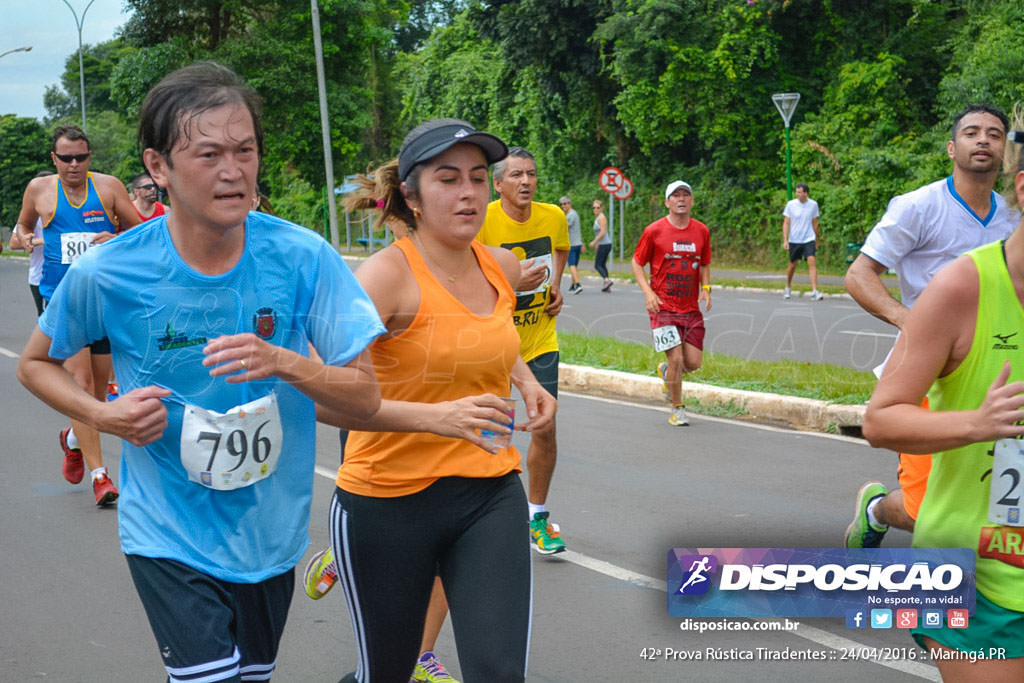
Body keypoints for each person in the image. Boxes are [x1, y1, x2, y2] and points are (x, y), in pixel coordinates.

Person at [17, 61, 383, 682]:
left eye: (245, 150)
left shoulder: (302, 257)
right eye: (208, 153)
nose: (233, 170)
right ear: (157, 167)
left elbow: (365, 399)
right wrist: (104, 414)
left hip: (269, 531)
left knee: (252, 676)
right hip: (165, 529)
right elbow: (34, 364)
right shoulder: (111, 271)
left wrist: (284, 362)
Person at [315, 118, 555, 682]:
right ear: (412, 196)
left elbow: (480, 332)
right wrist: (435, 418)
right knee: (387, 674)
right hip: (387, 500)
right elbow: (319, 392)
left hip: (488, 493)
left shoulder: (501, 265)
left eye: (477, 177)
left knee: (499, 672)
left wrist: (526, 380)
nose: (468, 192)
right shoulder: (383, 278)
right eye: (448, 179)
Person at [860, 152, 1024, 683]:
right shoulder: (962, 288)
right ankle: (880, 511)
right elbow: (881, 421)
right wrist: (977, 424)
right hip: (973, 574)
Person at [844, 104, 1019, 549]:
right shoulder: (918, 207)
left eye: (995, 134)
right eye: (972, 132)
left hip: (993, 376)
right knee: (925, 508)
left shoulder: (1012, 217)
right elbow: (860, 275)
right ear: (951, 147)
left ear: (1005, 154)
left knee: (996, 502)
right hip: (927, 376)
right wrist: (914, 324)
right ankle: (878, 509)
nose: (983, 140)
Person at [15, 124, 141, 505]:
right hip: (62, 300)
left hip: (105, 300)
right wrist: (21, 236)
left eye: (81, 157)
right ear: (54, 159)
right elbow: (23, 224)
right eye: (65, 158)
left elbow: (142, 231)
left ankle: (71, 439)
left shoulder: (108, 188)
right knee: (82, 387)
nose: (73, 164)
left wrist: (114, 238)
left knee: (98, 397)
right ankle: (101, 477)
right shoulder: (39, 189)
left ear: (90, 157)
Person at [476, 146, 570, 555]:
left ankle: (537, 516)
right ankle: (480, 519)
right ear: (498, 185)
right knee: (490, 432)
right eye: (515, 175)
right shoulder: (482, 221)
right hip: (493, 345)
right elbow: (464, 282)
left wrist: (555, 287)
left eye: (531, 174)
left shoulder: (554, 216)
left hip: (539, 339)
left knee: (545, 427)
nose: (526, 182)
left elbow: (561, 248)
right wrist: (512, 287)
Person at [632, 180, 712, 427]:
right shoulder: (654, 231)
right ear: (667, 202)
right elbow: (637, 263)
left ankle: (667, 373)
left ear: (692, 201)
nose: (681, 199)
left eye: (685, 195)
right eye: (675, 195)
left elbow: (705, 262)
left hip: (690, 308)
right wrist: (648, 293)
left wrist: (706, 288)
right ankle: (678, 409)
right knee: (676, 358)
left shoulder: (701, 231)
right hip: (662, 306)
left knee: (693, 363)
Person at [9, 171, 52, 316]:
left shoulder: (62, 211)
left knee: (55, 314)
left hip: (60, 274)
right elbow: (14, 243)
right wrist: (39, 241)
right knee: (42, 315)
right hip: (37, 276)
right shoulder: (31, 216)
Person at [782, 182, 822, 300]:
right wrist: (785, 240)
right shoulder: (791, 205)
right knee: (792, 265)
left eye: (800, 192)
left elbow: (815, 223)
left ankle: (814, 291)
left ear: (805, 193)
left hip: (808, 238)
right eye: (797, 192)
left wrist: (816, 239)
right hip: (795, 239)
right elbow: (786, 222)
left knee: (811, 261)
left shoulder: (813, 205)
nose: (797, 194)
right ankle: (788, 287)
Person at [560, 196, 583, 293]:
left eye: (565, 204)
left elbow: (565, 228)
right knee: (575, 265)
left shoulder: (570, 215)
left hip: (572, 244)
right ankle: (573, 285)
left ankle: (578, 284)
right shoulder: (574, 214)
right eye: (561, 204)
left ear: (570, 204)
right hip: (577, 243)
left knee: (571, 265)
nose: (563, 206)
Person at [589, 198, 613, 292]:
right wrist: (597, 244)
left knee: (597, 265)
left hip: (605, 244)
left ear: (601, 208)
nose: (595, 209)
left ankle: (607, 280)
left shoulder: (602, 218)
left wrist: (594, 242)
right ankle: (607, 285)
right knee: (602, 264)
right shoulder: (598, 217)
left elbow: (602, 232)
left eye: (597, 207)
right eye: (594, 207)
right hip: (603, 244)